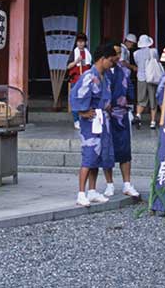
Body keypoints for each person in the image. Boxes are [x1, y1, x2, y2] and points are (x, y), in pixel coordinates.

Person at [70, 42, 118, 207]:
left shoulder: (104, 77)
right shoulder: (89, 76)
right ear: (103, 59)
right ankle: (81, 193)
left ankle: (92, 190)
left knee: (97, 158)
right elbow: (75, 95)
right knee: (89, 156)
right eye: (111, 61)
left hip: (102, 120)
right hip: (90, 122)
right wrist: (82, 112)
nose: (112, 65)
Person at [102, 44, 140, 199]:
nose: (117, 56)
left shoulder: (124, 71)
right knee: (107, 150)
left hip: (122, 113)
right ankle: (109, 184)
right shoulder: (101, 71)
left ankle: (127, 183)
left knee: (125, 150)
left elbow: (130, 89)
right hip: (106, 114)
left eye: (119, 53)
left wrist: (131, 104)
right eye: (114, 53)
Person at [133, 35, 161, 129]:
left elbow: (137, 63)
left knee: (141, 99)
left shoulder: (135, 53)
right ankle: (152, 121)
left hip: (141, 78)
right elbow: (157, 60)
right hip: (152, 77)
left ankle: (138, 115)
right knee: (153, 100)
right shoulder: (153, 51)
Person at [66, 34, 92, 130]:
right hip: (76, 80)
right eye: (79, 41)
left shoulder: (88, 53)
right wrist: (77, 60)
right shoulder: (74, 53)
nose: (80, 43)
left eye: (82, 41)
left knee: (85, 99)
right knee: (75, 100)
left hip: (85, 81)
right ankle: (76, 120)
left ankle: (84, 119)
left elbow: (90, 67)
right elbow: (68, 66)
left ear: (85, 43)